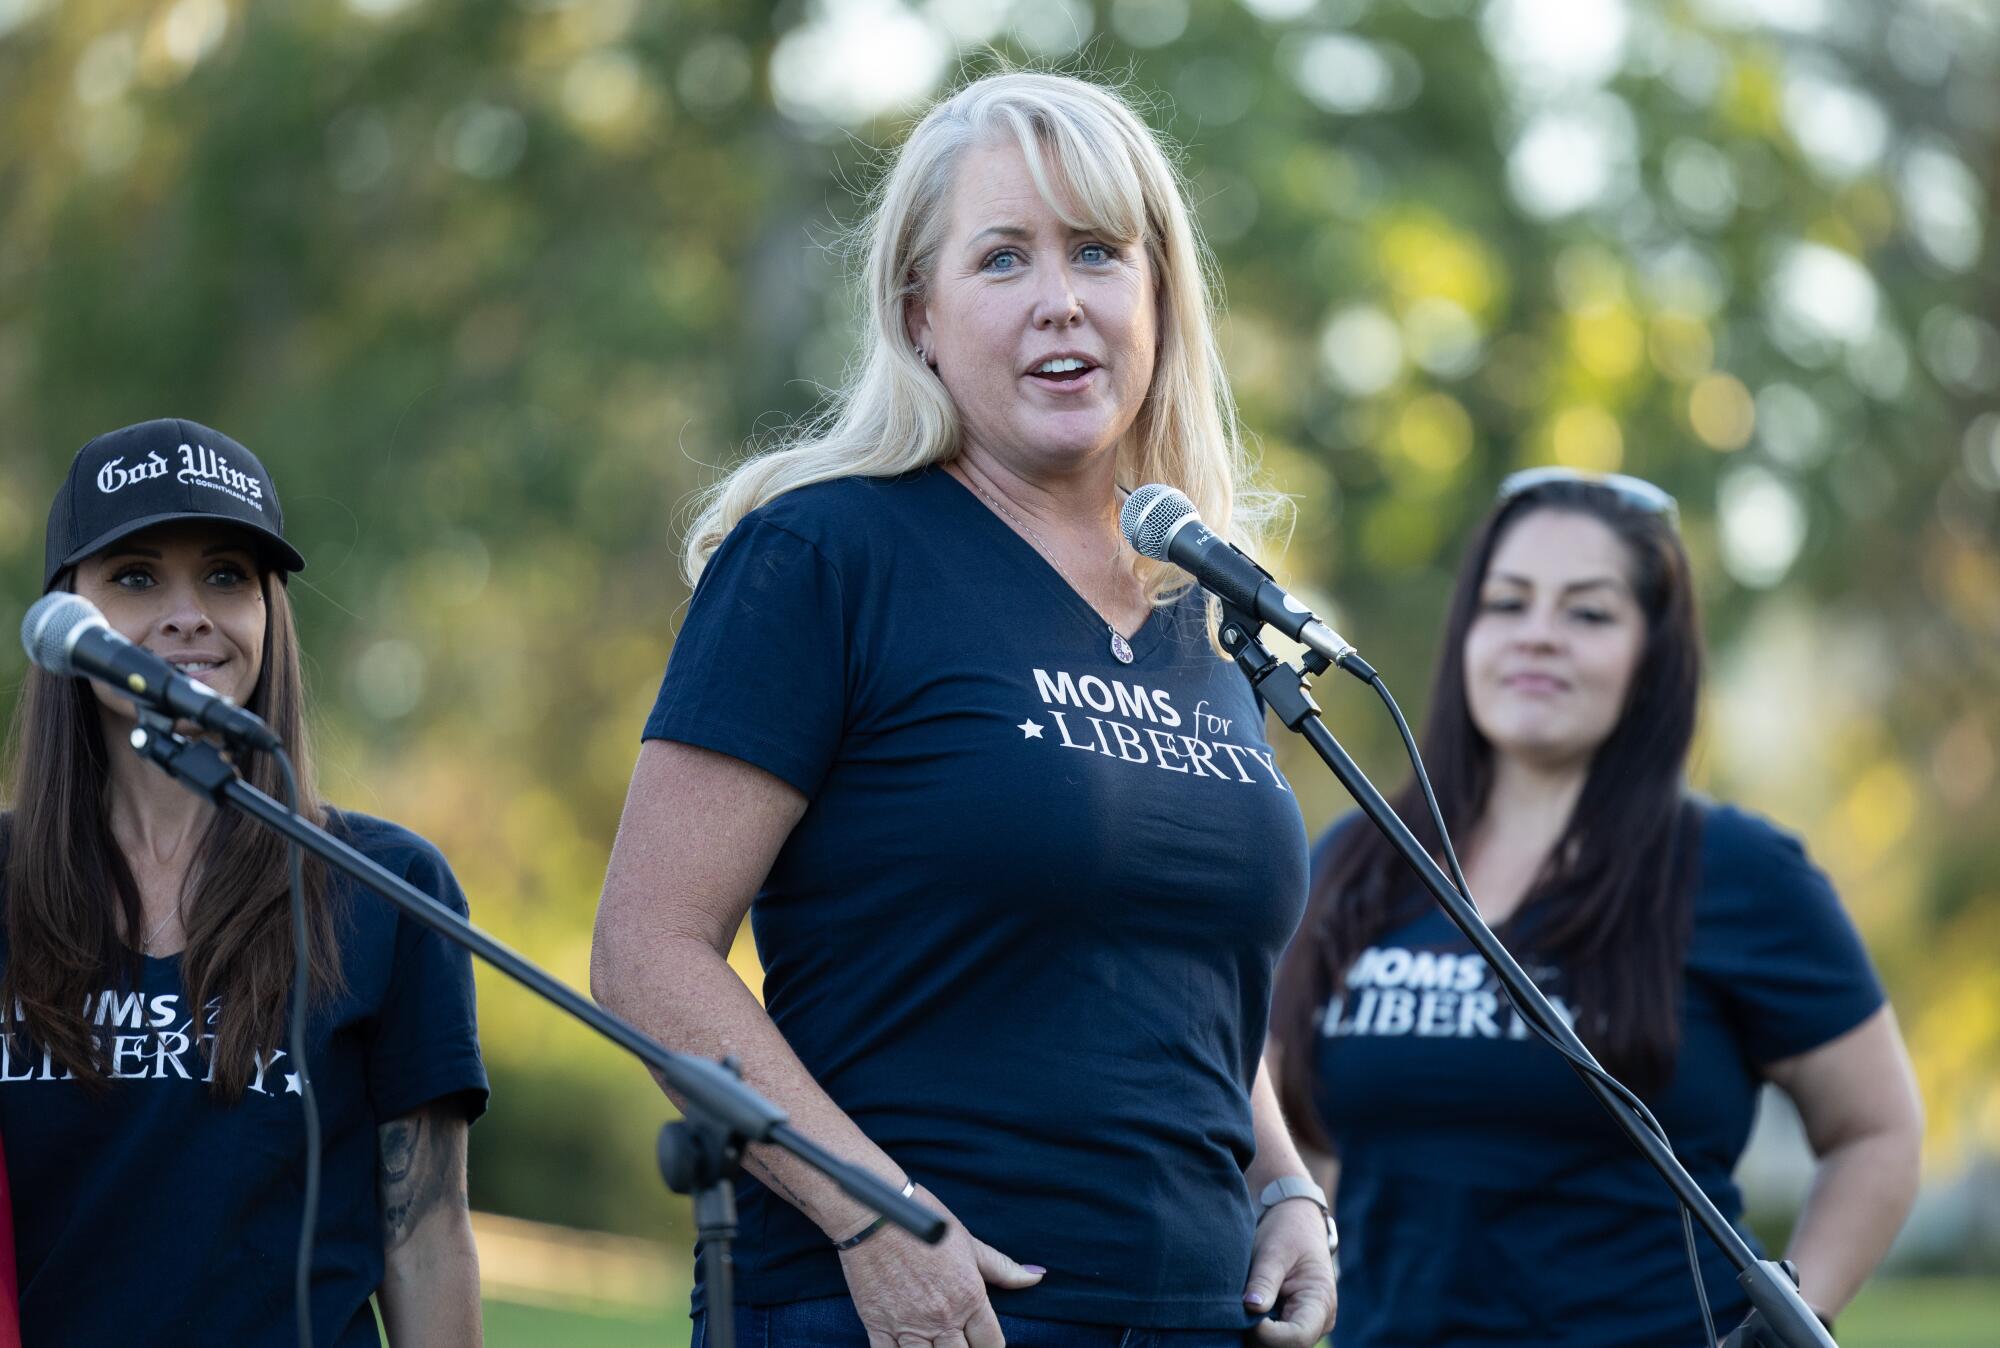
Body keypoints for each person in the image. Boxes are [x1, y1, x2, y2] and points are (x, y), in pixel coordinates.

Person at [591, 72, 1337, 1347]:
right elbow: (646, 956)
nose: (1060, 298)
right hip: (914, 1316)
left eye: (1098, 253)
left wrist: (1283, 1186)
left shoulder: (1198, 611)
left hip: (1195, 1314)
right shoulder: (823, 555)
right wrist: (874, 1215)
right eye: (1002, 258)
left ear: (1155, 298)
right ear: (918, 315)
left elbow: (1175, 971)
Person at [1271, 468, 1924, 1347]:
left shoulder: (1740, 875)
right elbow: (1257, 1101)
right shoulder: (1360, 861)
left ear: (1652, 654)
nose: (1539, 637)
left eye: (1588, 613)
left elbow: (1876, 1130)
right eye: (1508, 605)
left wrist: (1794, 1316)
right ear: (1467, 633)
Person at [0, 418, 489, 1347]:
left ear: (270, 612)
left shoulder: (386, 888)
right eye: (136, 577)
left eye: (227, 575)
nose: (190, 613)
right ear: (68, 617)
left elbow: (425, 1234)